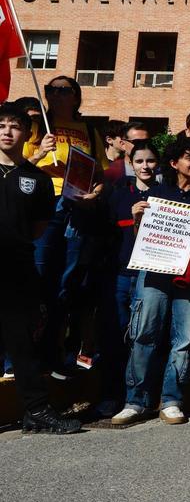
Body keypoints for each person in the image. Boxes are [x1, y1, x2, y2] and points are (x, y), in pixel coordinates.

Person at [111, 139, 190, 426]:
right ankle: (135, 401)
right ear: (174, 164)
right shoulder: (156, 194)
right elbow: (139, 241)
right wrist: (137, 220)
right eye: (189, 158)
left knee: (185, 340)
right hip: (153, 274)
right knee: (143, 335)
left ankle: (172, 400)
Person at [0, 102, 82, 434]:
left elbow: (38, 228)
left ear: (27, 133)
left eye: (14, 126)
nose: (7, 131)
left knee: (21, 344)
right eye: (1, 125)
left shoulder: (37, 179)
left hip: (16, 270)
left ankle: (36, 411)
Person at [23, 74, 107, 376]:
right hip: (44, 206)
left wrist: (93, 196)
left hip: (78, 209)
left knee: (66, 283)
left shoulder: (88, 130)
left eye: (64, 90)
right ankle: (28, 353)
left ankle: (54, 353)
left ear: (76, 97)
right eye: (52, 90)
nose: (57, 95)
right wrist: (39, 152)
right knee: (39, 277)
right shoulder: (33, 128)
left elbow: (101, 175)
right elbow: (16, 168)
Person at [95, 140, 160, 416]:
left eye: (150, 161)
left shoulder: (166, 194)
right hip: (122, 273)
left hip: (153, 275)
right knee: (115, 336)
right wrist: (132, 219)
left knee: (146, 338)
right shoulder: (118, 194)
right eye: (140, 161)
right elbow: (105, 231)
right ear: (131, 165)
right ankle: (112, 395)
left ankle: (144, 396)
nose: (145, 166)